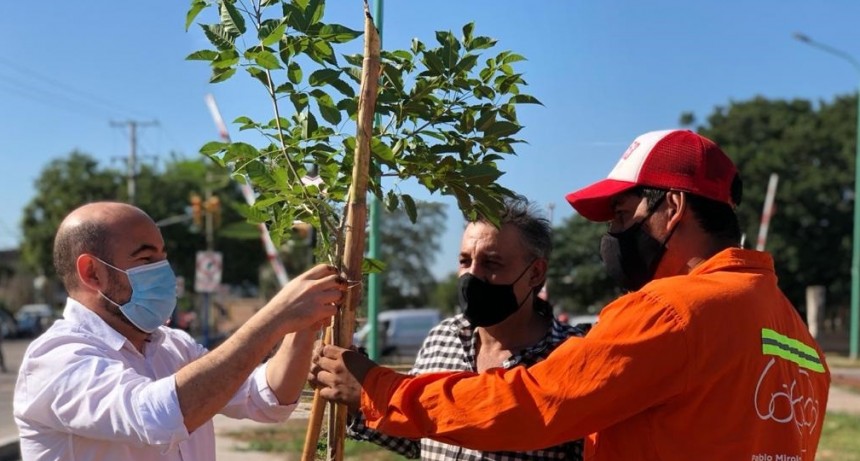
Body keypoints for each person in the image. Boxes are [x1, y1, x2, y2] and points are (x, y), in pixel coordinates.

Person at [311, 129, 832, 460]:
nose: (613, 236)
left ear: (672, 207)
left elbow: (534, 403)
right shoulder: (795, 335)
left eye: (623, 216)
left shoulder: (671, 312)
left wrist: (383, 389)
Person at [14, 201, 344, 461]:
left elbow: (267, 399)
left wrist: (302, 324)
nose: (164, 272)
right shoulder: (56, 359)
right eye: (146, 259)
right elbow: (157, 417)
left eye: (163, 257)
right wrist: (273, 318)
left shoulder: (171, 345)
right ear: (92, 273)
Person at [347, 197, 585, 460]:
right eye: (465, 261)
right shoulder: (441, 338)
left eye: (492, 263)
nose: (472, 275)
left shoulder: (574, 357)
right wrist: (360, 399)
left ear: (535, 273)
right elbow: (418, 440)